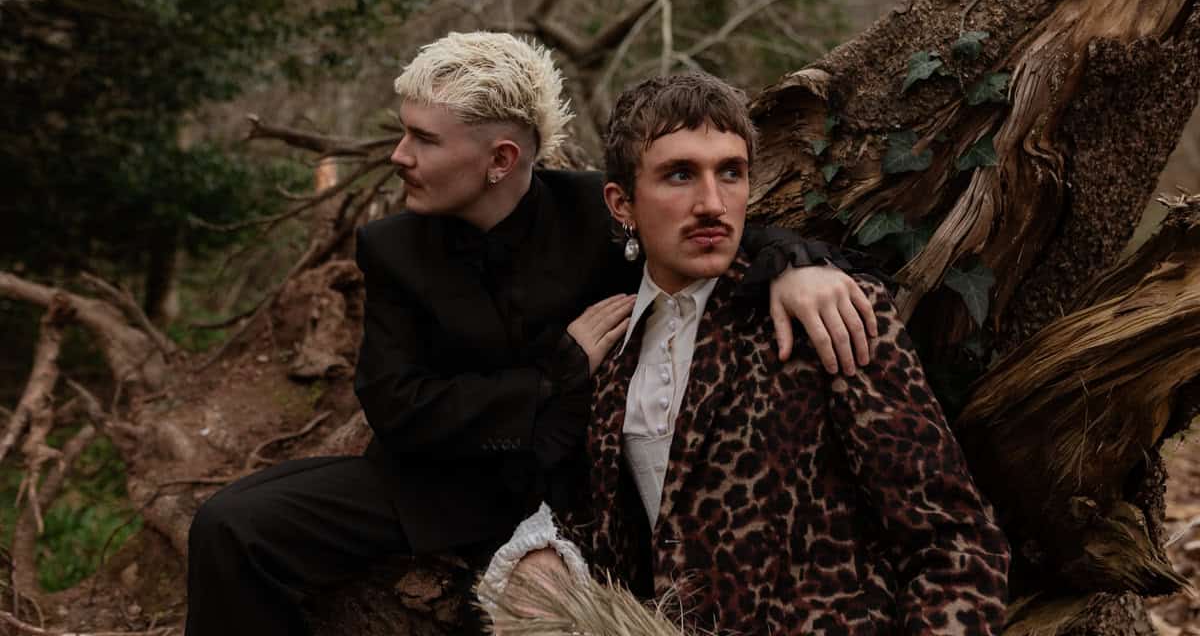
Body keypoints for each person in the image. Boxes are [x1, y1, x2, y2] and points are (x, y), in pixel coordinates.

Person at [184, 33, 881, 636]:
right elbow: (397, 405)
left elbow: (713, 229)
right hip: (438, 485)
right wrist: (556, 371)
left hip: (591, 497)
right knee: (230, 525)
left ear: (501, 159)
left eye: (424, 139)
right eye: (404, 132)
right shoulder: (390, 247)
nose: (398, 155)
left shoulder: (598, 212)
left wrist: (796, 265)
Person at [485, 72, 1011, 635]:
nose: (712, 204)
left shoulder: (827, 314)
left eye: (730, 173)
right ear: (622, 204)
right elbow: (630, 545)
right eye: (680, 174)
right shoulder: (615, 357)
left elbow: (954, 541)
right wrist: (546, 559)